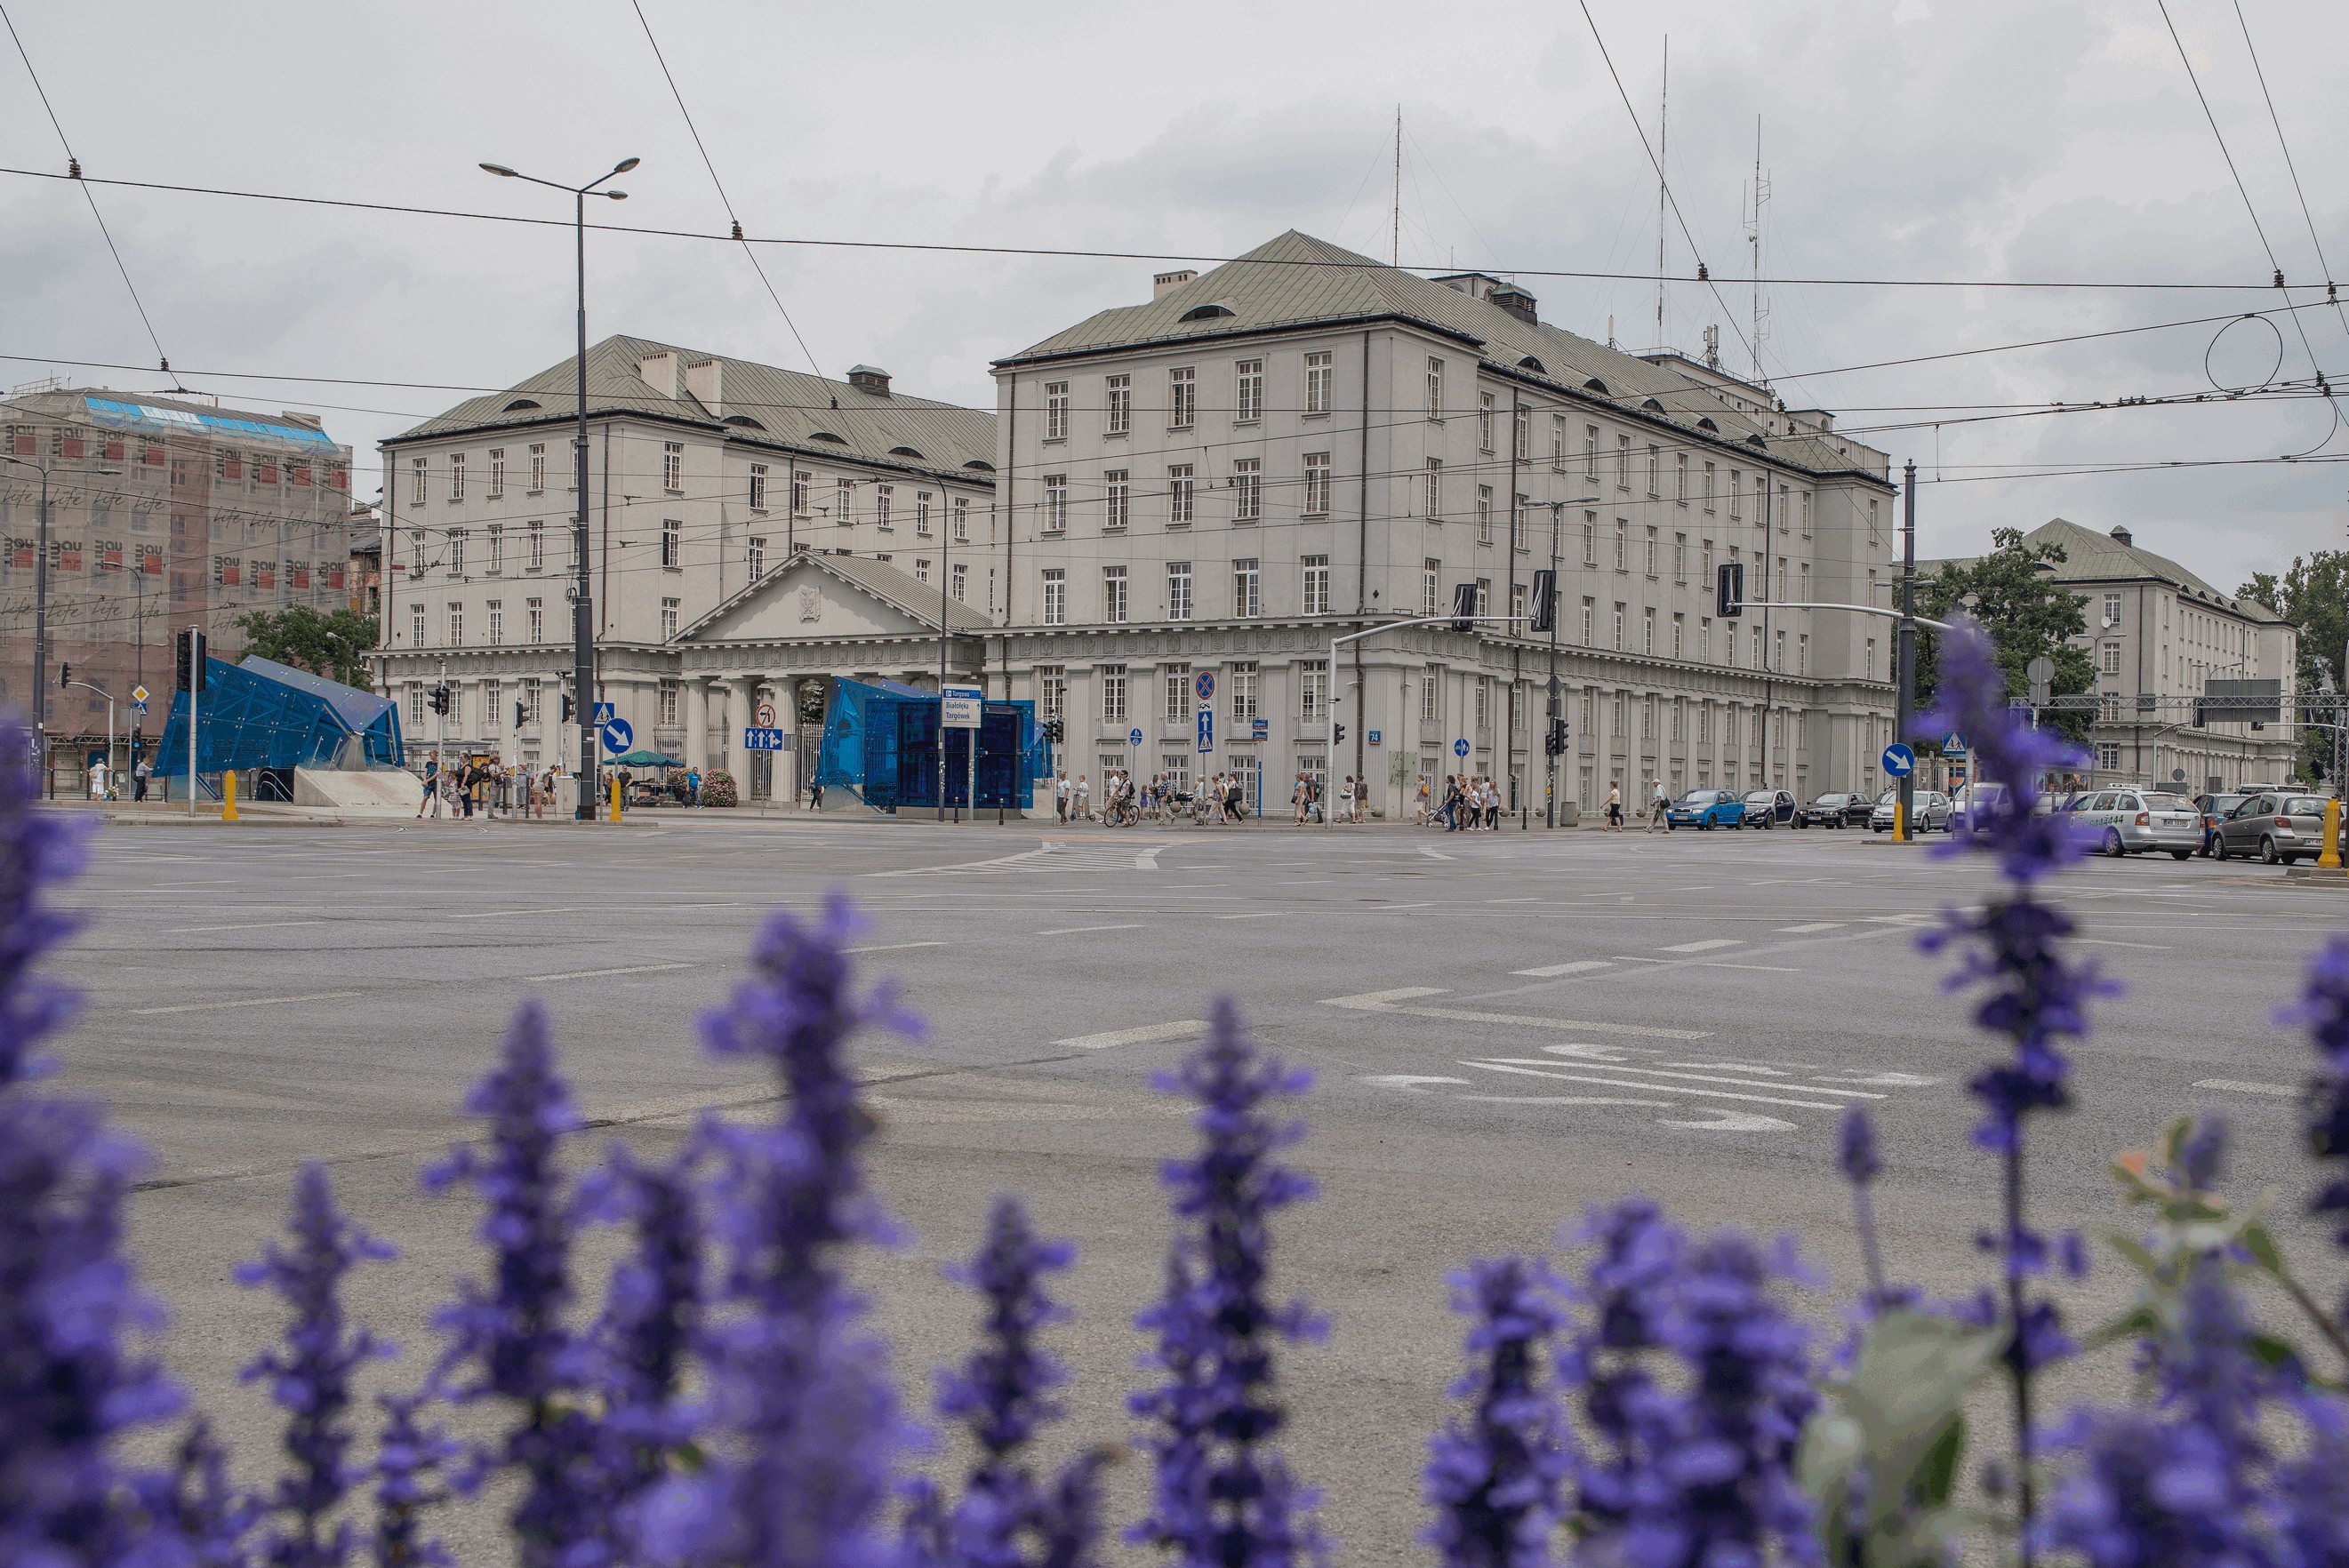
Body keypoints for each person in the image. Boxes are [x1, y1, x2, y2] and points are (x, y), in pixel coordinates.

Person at [417, 750, 441, 820]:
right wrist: (425, 780)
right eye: (430, 755)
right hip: (428, 783)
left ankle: (433, 814)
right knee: (425, 797)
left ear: (436, 755)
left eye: (432, 755)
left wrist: (427, 780)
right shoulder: (428, 763)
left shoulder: (439, 764)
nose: (431, 756)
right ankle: (420, 813)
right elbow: (426, 771)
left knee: (437, 799)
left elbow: (437, 774)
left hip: (436, 783)